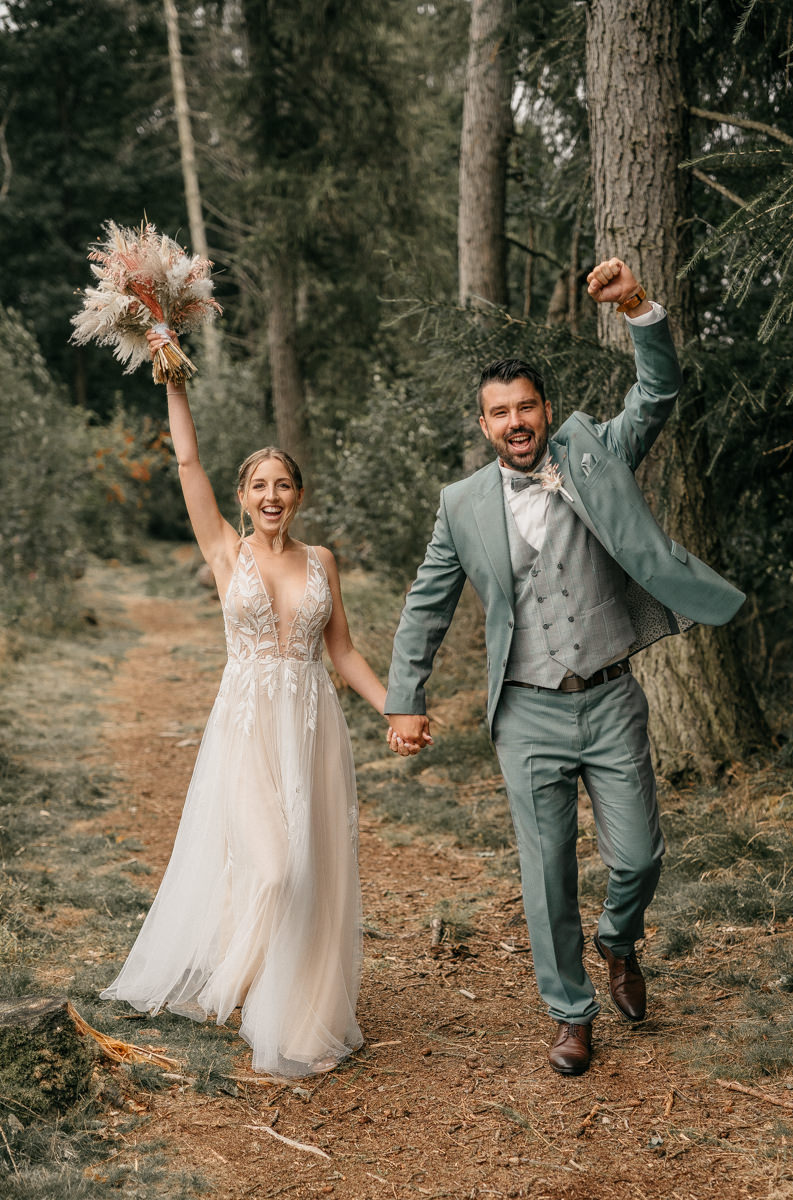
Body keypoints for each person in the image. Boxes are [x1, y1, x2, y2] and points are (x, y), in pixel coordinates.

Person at [384, 258, 746, 1076]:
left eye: (526, 407)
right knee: (546, 877)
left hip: (610, 698)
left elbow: (654, 396)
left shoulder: (593, 453)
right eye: (498, 412)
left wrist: (640, 309)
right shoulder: (460, 506)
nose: (515, 422)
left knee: (639, 858)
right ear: (483, 424)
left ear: (546, 411)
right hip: (525, 713)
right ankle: (571, 1012)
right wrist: (405, 697)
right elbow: (427, 604)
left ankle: (621, 942)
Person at [101, 329, 389, 1077]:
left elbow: (344, 653)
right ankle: (241, 976)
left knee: (312, 868)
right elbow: (187, 461)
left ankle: (292, 1006)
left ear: (298, 495)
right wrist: (173, 378)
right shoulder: (226, 552)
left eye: (283, 485)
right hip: (247, 728)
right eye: (258, 485)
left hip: (313, 725)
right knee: (270, 868)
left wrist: (396, 705)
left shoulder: (322, 560)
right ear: (242, 496)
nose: (270, 497)